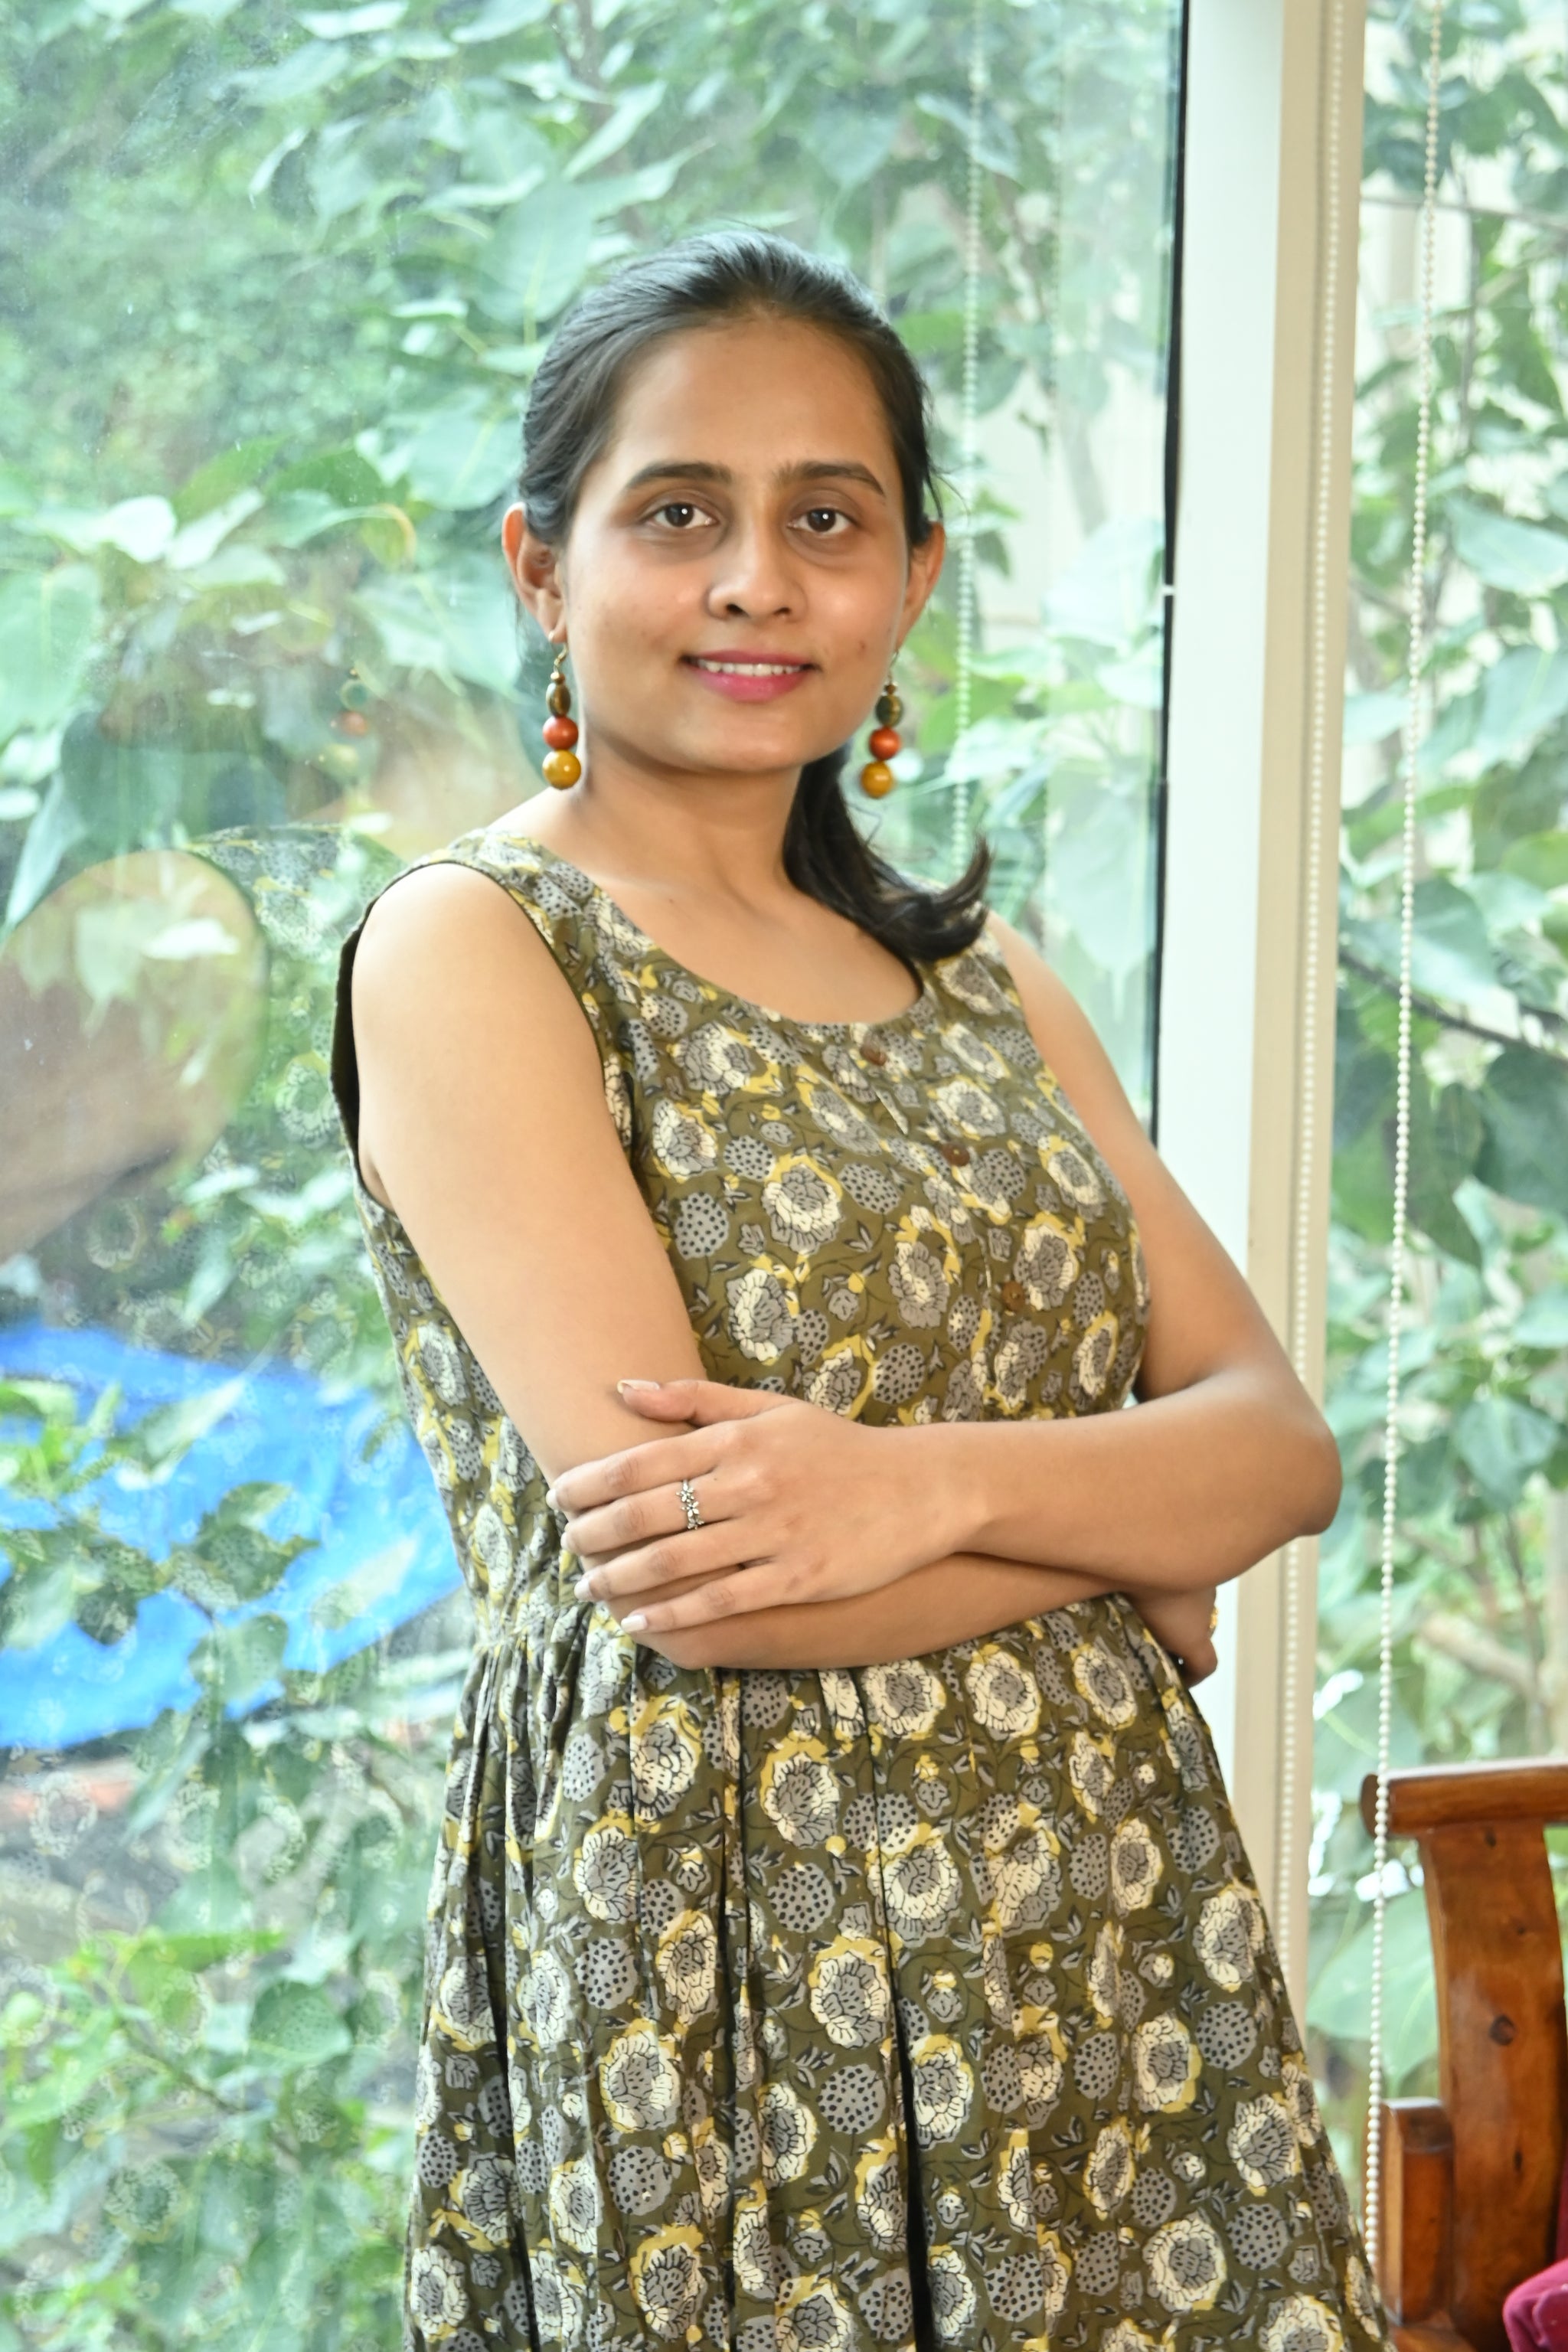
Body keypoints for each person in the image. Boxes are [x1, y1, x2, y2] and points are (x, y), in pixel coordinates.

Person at [332, 231, 1385, 2352]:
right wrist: (1121, 1546)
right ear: (542, 566)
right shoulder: (476, 947)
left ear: (914, 577)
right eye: (678, 514)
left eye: (827, 520)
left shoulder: (984, 985)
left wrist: (909, 1490)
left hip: (1112, 1922)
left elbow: (1280, 1452)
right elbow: (705, 1579)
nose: (757, 582)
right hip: (729, 1934)